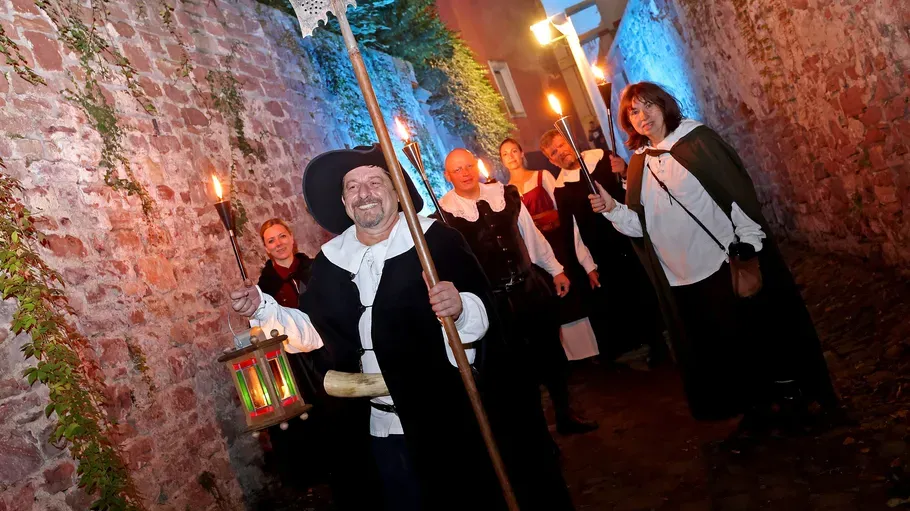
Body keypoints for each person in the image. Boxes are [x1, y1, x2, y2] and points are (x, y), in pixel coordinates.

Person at [230, 145, 573, 511]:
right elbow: (315, 333)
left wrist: (459, 308)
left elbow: (485, 315)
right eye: (353, 187)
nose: (364, 193)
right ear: (344, 203)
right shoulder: (332, 261)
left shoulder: (436, 240)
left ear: (396, 192)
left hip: (447, 424)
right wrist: (264, 309)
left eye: (375, 182)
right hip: (376, 430)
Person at [587, 81, 837, 429]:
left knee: (757, 340)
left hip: (720, 264)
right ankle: (754, 410)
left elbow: (735, 195)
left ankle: (790, 403)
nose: (642, 116)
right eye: (633, 111)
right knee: (721, 352)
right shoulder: (638, 164)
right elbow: (639, 226)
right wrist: (612, 208)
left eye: (648, 106)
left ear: (664, 106)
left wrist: (750, 239)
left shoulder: (697, 141)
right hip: (680, 278)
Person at [439, 148, 597, 435]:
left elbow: (531, 235)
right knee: (515, 370)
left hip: (530, 291)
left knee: (552, 357)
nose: (465, 173)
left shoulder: (506, 195)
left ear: (476, 166)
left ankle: (565, 415)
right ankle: (533, 430)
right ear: (448, 176)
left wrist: (555, 269)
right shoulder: (445, 213)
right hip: (493, 305)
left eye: (468, 166)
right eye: (457, 169)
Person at [539, 130, 666, 364]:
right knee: (627, 300)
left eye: (561, 144)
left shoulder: (604, 159)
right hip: (603, 251)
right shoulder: (562, 189)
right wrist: (588, 266)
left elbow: (636, 191)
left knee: (649, 289)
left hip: (631, 237)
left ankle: (664, 341)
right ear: (551, 160)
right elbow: (573, 231)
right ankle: (648, 346)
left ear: (571, 141)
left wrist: (626, 171)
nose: (561, 152)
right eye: (554, 152)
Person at [500, 138, 600, 362]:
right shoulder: (505, 192)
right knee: (551, 300)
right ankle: (568, 355)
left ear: (522, 152)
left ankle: (591, 351)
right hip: (533, 253)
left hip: (556, 243)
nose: (511, 156)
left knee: (571, 294)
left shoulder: (542, 176)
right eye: (506, 154)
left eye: (514, 151)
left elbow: (561, 208)